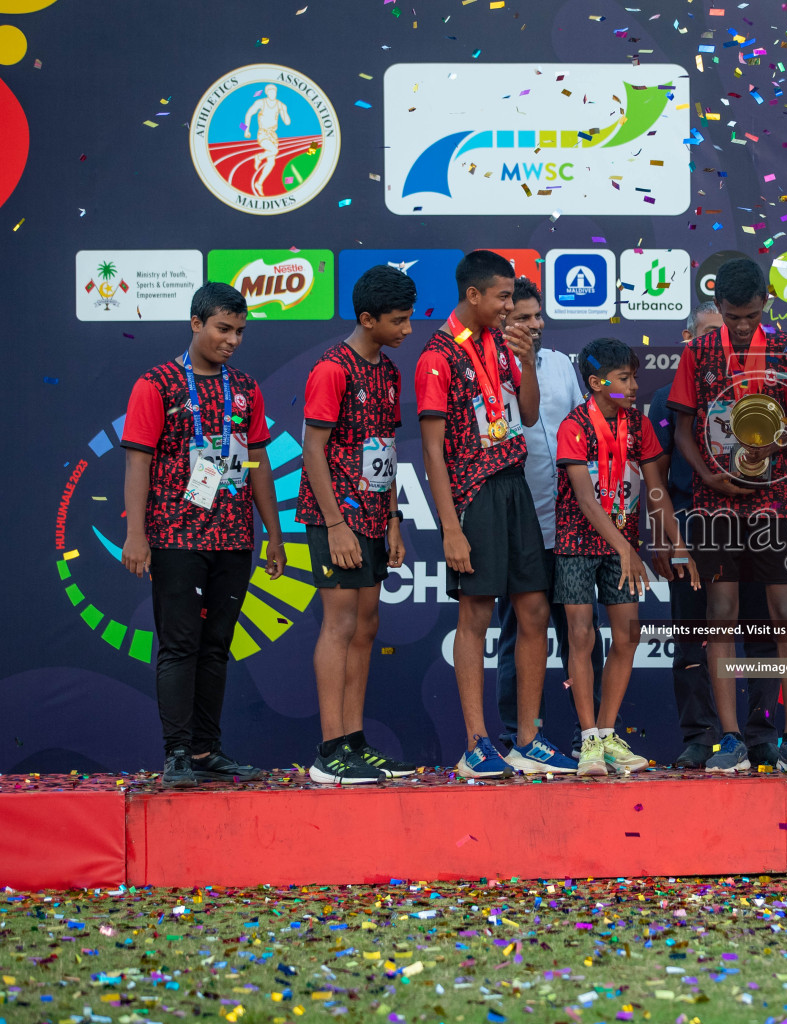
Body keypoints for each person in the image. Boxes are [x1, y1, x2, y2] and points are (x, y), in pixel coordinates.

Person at [415, 250, 576, 778]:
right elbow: (432, 452)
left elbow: (527, 414)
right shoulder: (436, 357)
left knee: (532, 609)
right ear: (474, 295)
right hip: (473, 492)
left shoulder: (502, 346)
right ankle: (475, 743)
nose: (511, 307)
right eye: (504, 298)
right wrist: (452, 528)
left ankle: (527, 739)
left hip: (514, 485)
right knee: (476, 614)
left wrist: (527, 361)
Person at [120, 282, 286, 787]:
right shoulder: (157, 384)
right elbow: (138, 463)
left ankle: (207, 750)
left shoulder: (247, 388)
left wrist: (273, 534)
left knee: (216, 647)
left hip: (233, 538)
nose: (232, 340)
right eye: (222, 328)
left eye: (239, 331)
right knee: (179, 646)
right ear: (196, 324)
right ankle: (176, 755)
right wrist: (136, 535)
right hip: (175, 535)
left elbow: (257, 462)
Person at [667, 257, 787, 775]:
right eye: (732, 316)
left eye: (750, 316)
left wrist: (775, 446)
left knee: (785, 612)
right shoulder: (699, 352)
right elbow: (683, 428)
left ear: (765, 306)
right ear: (719, 307)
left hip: (774, 497)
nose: (740, 326)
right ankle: (729, 738)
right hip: (715, 501)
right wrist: (705, 477)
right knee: (722, 611)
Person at [556, 338, 699, 775]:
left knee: (627, 637)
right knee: (581, 637)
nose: (635, 386)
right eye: (624, 379)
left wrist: (677, 545)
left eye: (634, 377)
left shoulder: (639, 425)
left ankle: (606, 735)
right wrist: (626, 548)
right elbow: (584, 498)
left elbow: (656, 491)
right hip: (577, 544)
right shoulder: (574, 425)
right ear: (597, 383)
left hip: (622, 548)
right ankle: (587, 742)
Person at [648, 304, 782, 769]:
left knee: (762, 634)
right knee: (692, 636)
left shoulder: (765, 391)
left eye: (727, 336)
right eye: (708, 337)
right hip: (693, 526)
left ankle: (762, 734)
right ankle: (702, 736)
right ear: (689, 342)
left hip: (759, 526)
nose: (720, 347)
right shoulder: (667, 397)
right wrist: (663, 537)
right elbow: (656, 476)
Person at [297, 265, 417, 784]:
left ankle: (354, 740)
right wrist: (336, 523)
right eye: (398, 321)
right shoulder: (332, 369)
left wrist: (392, 519)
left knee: (367, 626)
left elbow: (385, 450)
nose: (407, 330)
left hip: (374, 513)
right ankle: (329, 751)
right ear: (367, 319)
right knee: (341, 623)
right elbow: (313, 449)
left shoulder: (387, 372)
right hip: (336, 517)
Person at [491, 276, 600, 758]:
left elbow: (584, 429)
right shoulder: (486, 368)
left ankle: (588, 735)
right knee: (521, 631)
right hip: (519, 521)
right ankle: (518, 736)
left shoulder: (559, 364)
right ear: (501, 319)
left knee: (581, 631)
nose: (534, 326)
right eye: (522, 318)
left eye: (537, 316)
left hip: (572, 523)